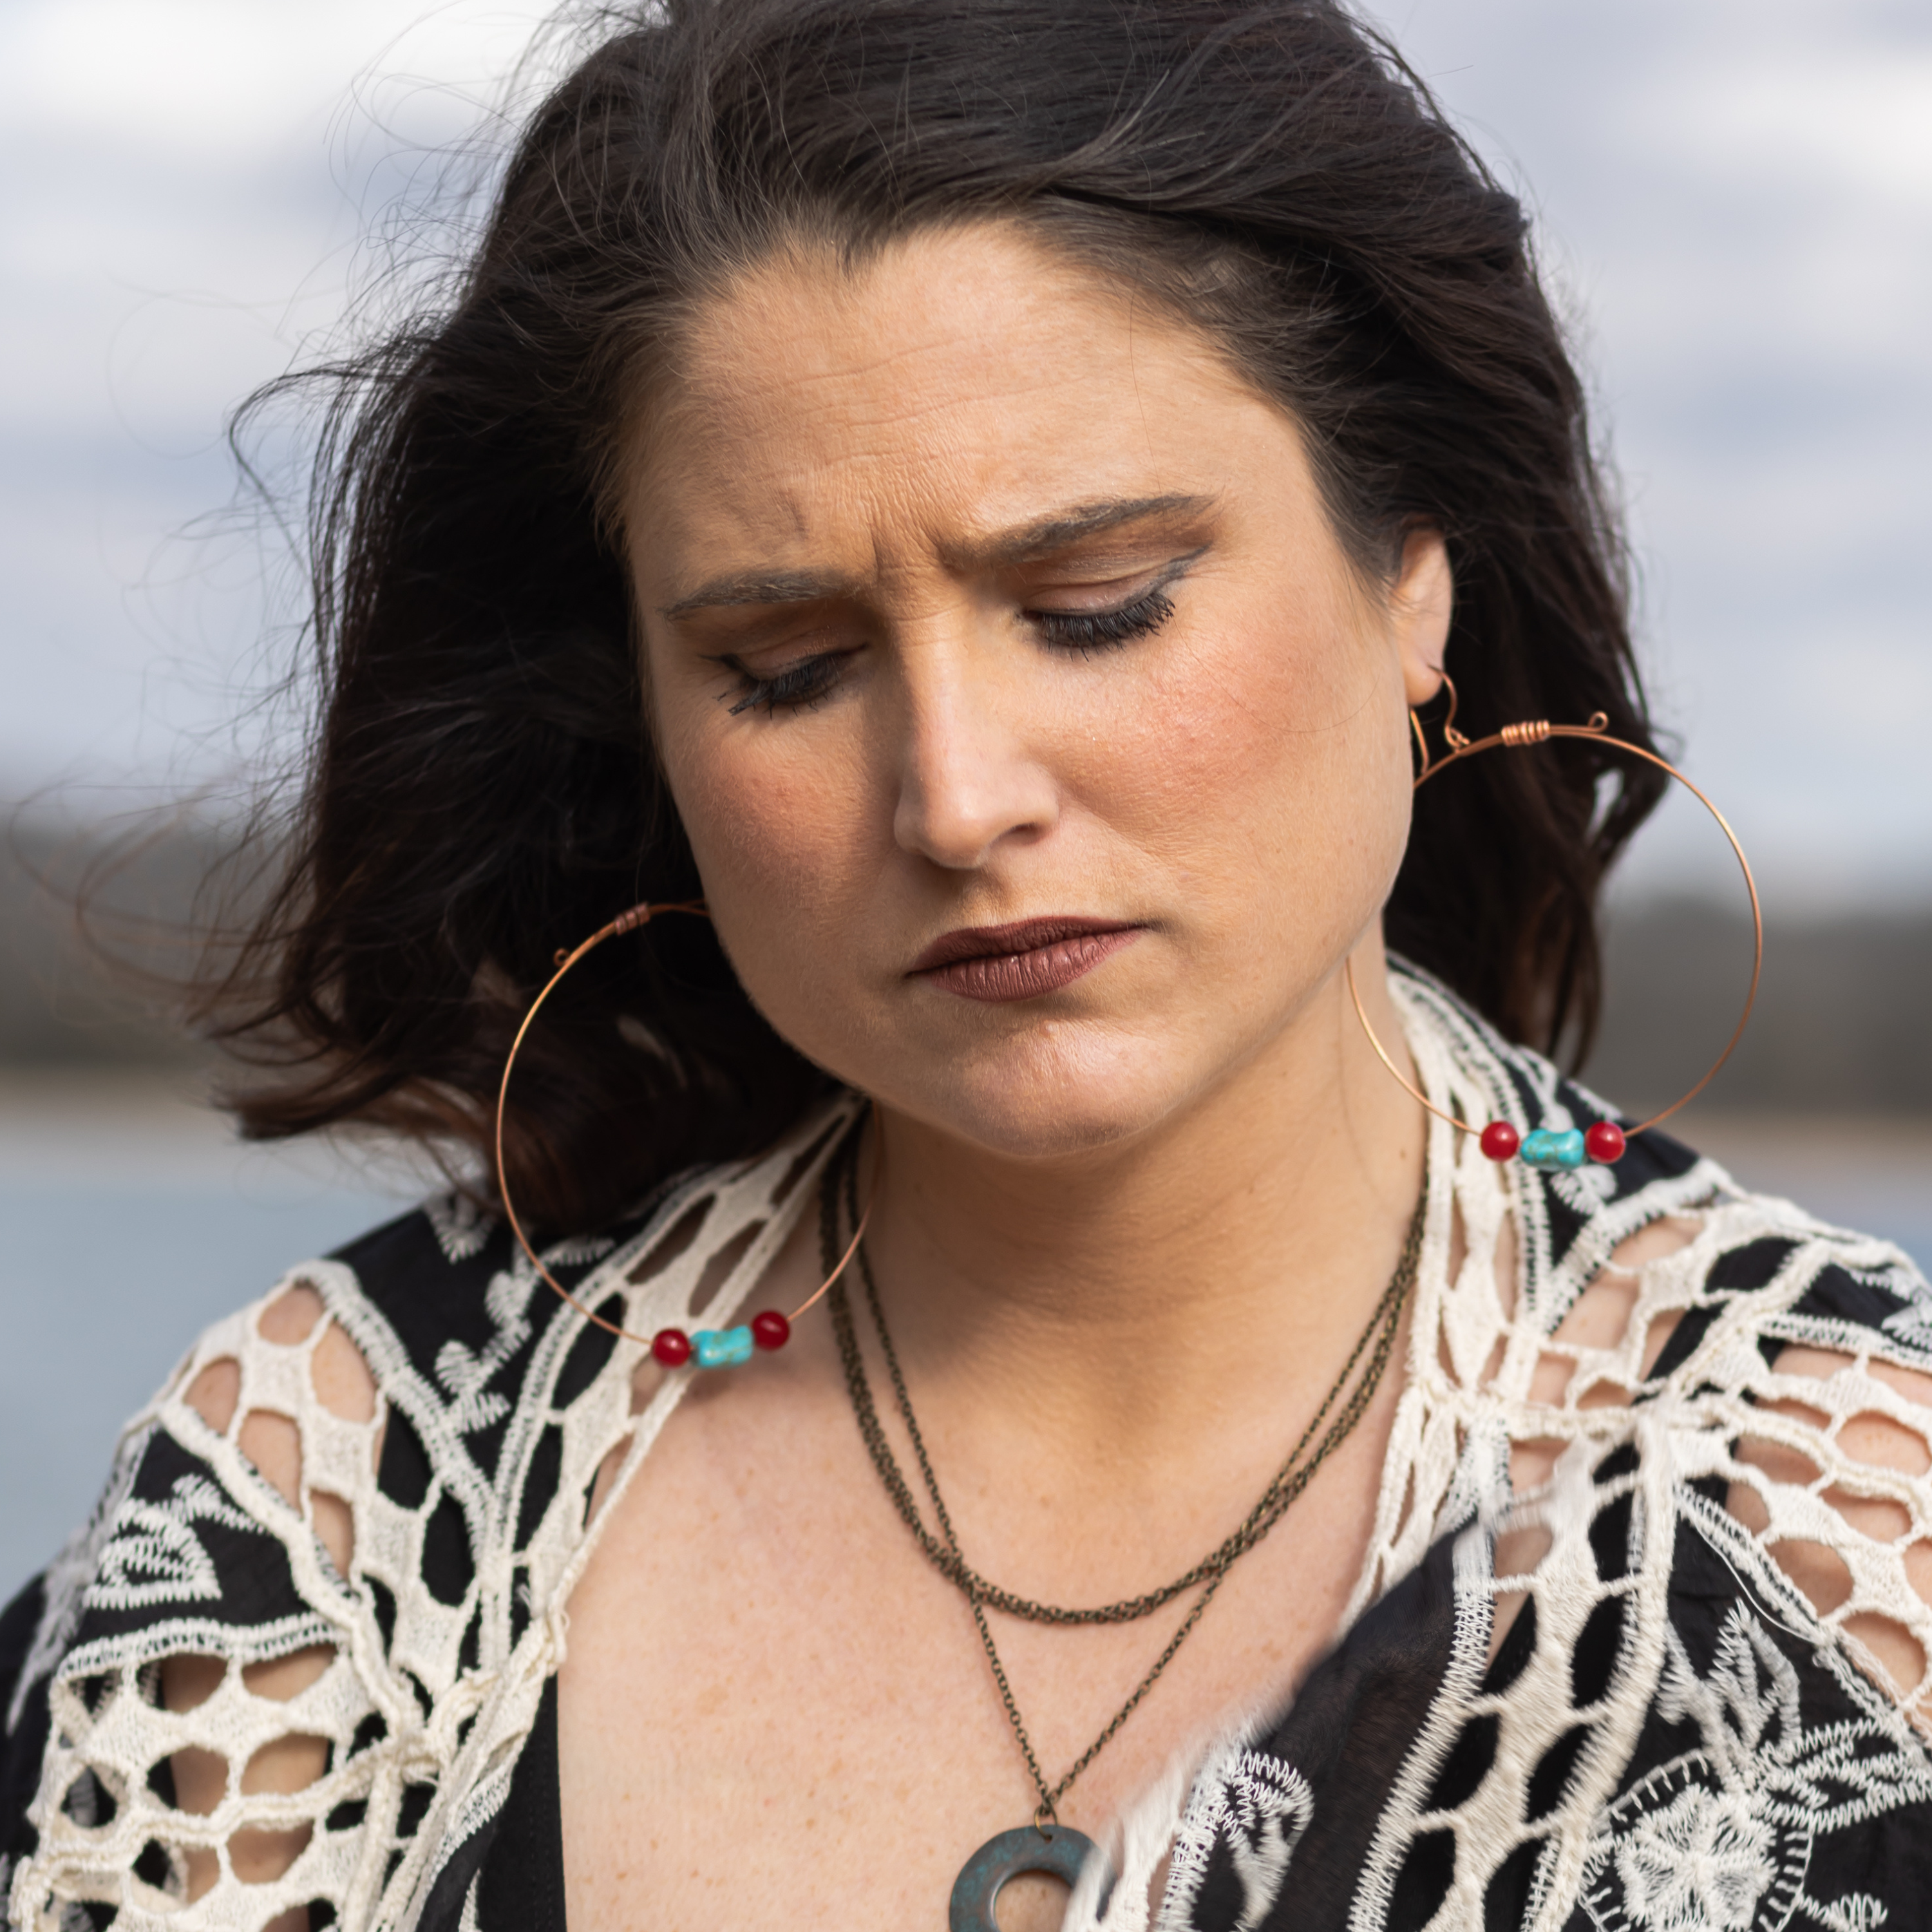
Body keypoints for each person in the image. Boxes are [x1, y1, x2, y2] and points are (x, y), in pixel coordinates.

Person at [5, 2, 1932, 1927]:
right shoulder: (312, 1515)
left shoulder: (1858, 1520)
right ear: (652, 719)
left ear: (1411, 574)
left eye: (1095, 608)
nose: (953, 795)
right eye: (788, 666)